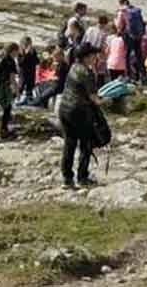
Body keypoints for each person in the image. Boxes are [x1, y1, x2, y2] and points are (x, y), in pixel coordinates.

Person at [59, 43, 102, 188]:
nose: (96, 57)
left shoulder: (73, 67)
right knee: (86, 143)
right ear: (87, 57)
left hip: (64, 108)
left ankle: (67, 178)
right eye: (93, 55)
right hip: (79, 111)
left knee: (69, 143)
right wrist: (105, 102)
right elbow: (93, 97)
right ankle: (82, 177)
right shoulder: (86, 72)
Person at [117, 0, 147, 82]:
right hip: (138, 34)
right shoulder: (135, 9)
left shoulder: (122, 11)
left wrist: (119, 31)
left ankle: (128, 76)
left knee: (127, 55)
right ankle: (143, 75)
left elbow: (119, 24)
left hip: (128, 35)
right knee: (139, 54)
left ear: (120, 1)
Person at [17, 37, 39, 104]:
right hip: (23, 73)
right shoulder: (20, 52)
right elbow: (21, 63)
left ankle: (28, 100)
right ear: (22, 44)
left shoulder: (33, 51)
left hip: (31, 72)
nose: (28, 46)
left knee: (30, 86)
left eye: (29, 44)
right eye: (26, 44)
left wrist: (32, 54)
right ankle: (17, 98)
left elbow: (37, 61)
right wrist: (26, 54)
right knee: (21, 86)